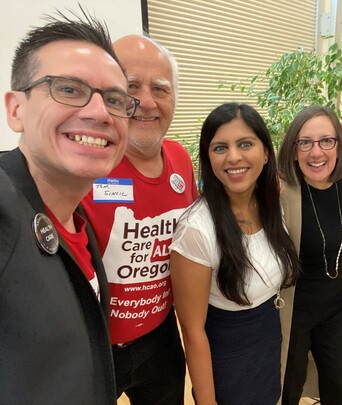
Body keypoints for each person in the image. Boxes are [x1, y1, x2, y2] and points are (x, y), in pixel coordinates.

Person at [0, 10, 136, 404]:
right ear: (16, 108)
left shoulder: (75, 221)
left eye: (114, 99)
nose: (98, 112)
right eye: (68, 89)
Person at [82, 35, 197, 404]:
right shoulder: (83, 165)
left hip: (161, 340)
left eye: (160, 89)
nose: (146, 102)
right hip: (94, 350)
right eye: (131, 86)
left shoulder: (181, 159)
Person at [169, 102, 300, 405]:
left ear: (266, 152)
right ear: (208, 158)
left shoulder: (270, 206)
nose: (234, 157)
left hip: (267, 347)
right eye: (220, 148)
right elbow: (192, 331)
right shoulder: (197, 230)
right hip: (226, 363)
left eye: (245, 144)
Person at [278, 106, 342, 405]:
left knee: (340, 392)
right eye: (305, 142)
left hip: (334, 307)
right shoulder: (281, 191)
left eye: (326, 141)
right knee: (288, 388)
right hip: (293, 310)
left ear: (338, 144)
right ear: (293, 148)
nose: (316, 152)